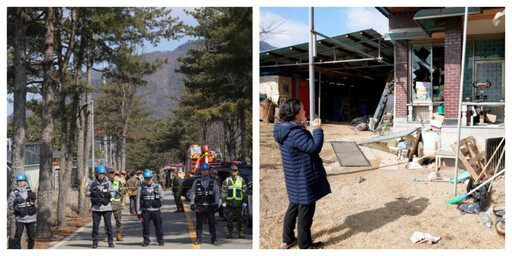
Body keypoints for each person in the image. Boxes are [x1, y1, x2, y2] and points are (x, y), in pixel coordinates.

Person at [273, 99, 331, 249]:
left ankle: (287, 240)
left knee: (293, 207)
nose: (305, 112)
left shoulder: (285, 129)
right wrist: (317, 129)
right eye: (303, 110)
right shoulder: (295, 132)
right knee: (306, 213)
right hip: (303, 179)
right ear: (295, 114)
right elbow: (314, 148)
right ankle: (305, 245)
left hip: (295, 178)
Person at [190, 163, 220, 245]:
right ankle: (198, 238)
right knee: (199, 223)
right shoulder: (197, 181)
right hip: (200, 206)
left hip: (210, 206)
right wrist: (192, 203)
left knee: (212, 223)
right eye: (203, 170)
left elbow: (217, 193)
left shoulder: (213, 181)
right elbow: (193, 192)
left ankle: (213, 239)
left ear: (208, 171)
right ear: (201, 171)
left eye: (206, 170)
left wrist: (217, 203)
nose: (204, 172)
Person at [85, 165, 114, 248]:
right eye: (99, 173)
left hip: (106, 207)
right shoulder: (92, 182)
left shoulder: (108, 182)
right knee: (95, 226)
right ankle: (95, 242)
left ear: (105, 174)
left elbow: (113, 192)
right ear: (97, 173)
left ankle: (110, 241)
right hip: (96, 208)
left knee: (108, 225)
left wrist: (108, 196)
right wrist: (92, 194)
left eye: (102, 173)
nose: (101, 175)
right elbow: (86, 192)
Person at [136, 169, 165, 247]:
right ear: (144, 179)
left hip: (156, 210)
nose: (148, 180)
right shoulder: (141, 188)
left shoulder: (157, 186)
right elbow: (138, 200)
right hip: (146, 211)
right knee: (145, 227)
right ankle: (146, 241)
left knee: (158, 226)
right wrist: (138, 212)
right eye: (146, 178)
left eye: (149, 178)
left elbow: (162, 196)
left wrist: (157, 201)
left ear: (152, 178)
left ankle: (160, 240)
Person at [8, 173, 37, 249]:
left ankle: (30, 249)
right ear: (17, 182)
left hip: (31, 218)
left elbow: (36, 203)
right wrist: (13, 216)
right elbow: (10, 206)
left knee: (31, 236)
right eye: (19, 181)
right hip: (20, 218)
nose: (21, 182)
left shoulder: (30, 190)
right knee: (17, 236)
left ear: (25, 181)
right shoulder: (13, 193)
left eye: (22, 181)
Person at [221, 165, 248, 239]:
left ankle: (240, 232)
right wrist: (223, 201)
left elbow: (245, 191)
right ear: (230, 171)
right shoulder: (227, 180)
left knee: (240, 218)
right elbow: (224, 191)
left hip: (239, 203)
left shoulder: (241, 180)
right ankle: (230, 233)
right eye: (233, 170)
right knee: (229, 218)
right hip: (229, 203)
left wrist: (245, 202)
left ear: (237, 171)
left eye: (235, 170)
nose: (234, 172)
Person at [104, 170, 124, 242]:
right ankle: (107, 235)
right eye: (110, 173)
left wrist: (120, 201)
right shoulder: (104, 183)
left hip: (116, 204)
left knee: (118, 220)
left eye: (112, 173)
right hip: (107, 204)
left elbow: (122, 193)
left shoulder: (118, 182)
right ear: (107, 174)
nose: (111, 175)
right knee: (107, 221)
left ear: (114, 174)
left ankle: (118, 234)